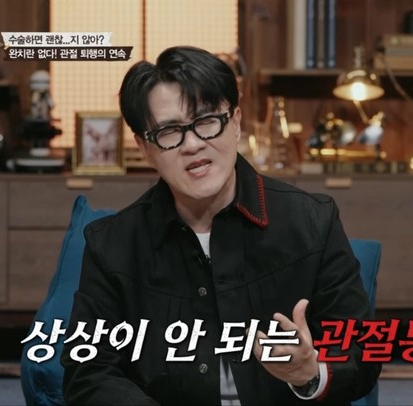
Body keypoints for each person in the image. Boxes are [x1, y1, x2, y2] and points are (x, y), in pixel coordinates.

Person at [61, 45, 381, 405]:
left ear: (236, 122)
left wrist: (310, 373)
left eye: (207, 121)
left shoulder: (312, 222)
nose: (192, 144)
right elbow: (88, 372)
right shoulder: (113, 245)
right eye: (169, 131)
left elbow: (362, 353)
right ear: (145, 147)